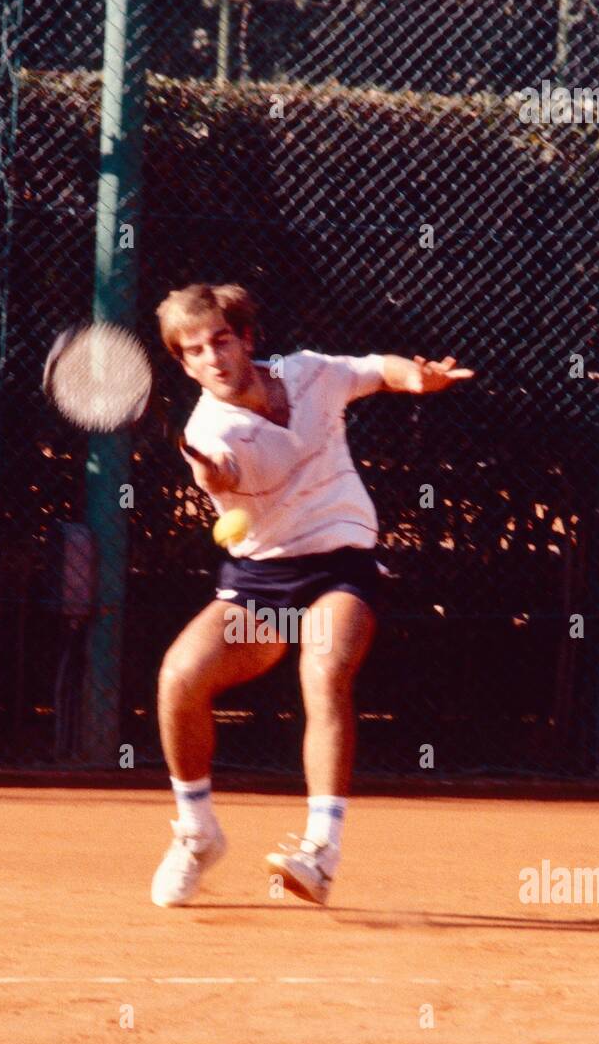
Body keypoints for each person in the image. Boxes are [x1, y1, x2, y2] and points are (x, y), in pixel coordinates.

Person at [150, 282, 473, 907]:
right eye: (195, 350)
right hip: (260, 585)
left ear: (247, 339)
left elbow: (374, 369)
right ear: (184, 364)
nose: (213, 357)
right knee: (179, 677)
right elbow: (224, 471)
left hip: (341, 565)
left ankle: (321, 852)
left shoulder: (308, 374)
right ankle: (197, 833)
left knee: (323, 670)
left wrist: (415, 378)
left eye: (221, 340)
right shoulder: (210, 429)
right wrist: (211, 473)